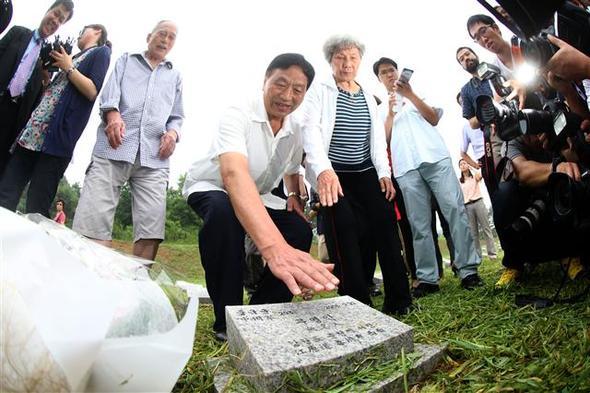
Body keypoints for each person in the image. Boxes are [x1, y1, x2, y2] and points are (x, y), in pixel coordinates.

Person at [183, 53, 339, 341]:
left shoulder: (295, 130)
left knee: (298, 229)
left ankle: (262, 311)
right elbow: (233, 175)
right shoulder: (238, 112)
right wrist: (273, 249)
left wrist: (293, 193)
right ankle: (226, 318)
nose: (287, 96)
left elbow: (293, 168)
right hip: (213, 186)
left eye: (297, 90)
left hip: (262, 194)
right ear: (265, 80)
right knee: (223, 217)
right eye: (280, 84)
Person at [301, 35, 412, 315]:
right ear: (331, 61)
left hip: (366, 172)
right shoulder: (320, 91)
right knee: (345, 231)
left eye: (352, 57)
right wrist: (323, 171)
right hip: (334, 174)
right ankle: (356, 302)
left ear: (359, 61)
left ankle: (399, 301)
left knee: (385, 225)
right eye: (340, 57)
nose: (347, 63)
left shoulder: (367, 95)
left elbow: (376, 140)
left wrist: (384, 173)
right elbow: (310, 131)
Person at [72, 20, 184, 261]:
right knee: (93, 220)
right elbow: (109, 96)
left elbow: (177, 117)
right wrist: (112, 114)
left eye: (171, 37)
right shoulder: (126, 61)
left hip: (154, 157)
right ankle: (90, 280)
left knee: (151, 229)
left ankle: (138, 288)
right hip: (114, 147)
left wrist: (172, 135)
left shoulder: (174, 76)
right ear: (149, 36)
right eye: (162, 34)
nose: (165, 39)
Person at [373, 56, 483, 297]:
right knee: (418, 223)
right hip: (406, 168)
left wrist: (410, 95)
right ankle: (427, 278)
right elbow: (384, 141)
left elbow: (433, 118)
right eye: (384, 72)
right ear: (379, 78)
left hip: (436, 159)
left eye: (392, 69)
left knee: (454, 211)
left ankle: (468, 270)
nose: (390, 74)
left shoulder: (418, 93)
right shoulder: (379, 110)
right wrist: (391, 113)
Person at [0, 24, 111, 217]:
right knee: (5, 191)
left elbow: (92, 90)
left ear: (97, 31)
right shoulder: (74, 57)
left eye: (82, 30)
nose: (79, 35)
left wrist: (68, 67)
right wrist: (46, 79)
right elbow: (56, 94)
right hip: (33, 134)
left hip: (57, 140)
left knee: (37, 205)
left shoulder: (100, 53)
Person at [493, 134, 589, 287]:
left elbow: (576, 158)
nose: (535, 136)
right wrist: (556, 167)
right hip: (526, 197)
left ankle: (569, 255)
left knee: (574, 183)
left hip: (556, 198)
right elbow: (523, 172)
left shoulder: (555, 131)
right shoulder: (511, 142)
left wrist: (570, 147)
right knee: (504, 192)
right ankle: (514, 263)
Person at [0, 0, 74, 176]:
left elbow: (39, 99)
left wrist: (45, 80)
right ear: (48, 11)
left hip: (14, 118)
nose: (55, 21)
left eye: (61, 20)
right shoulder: (18, 32)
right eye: (56, 14)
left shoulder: (48, 59)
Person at [458, 159, 497, 259]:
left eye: (464, 163)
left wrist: (472, 167)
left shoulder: (474, 177)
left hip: (478, 202)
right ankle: (478, 256)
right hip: (467, 206)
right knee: (473, 232)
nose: (463, 165)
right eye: (461, 164)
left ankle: (492, 254)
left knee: (486, 228)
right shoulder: (460, 181)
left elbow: (480, 175)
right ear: (459, 168)